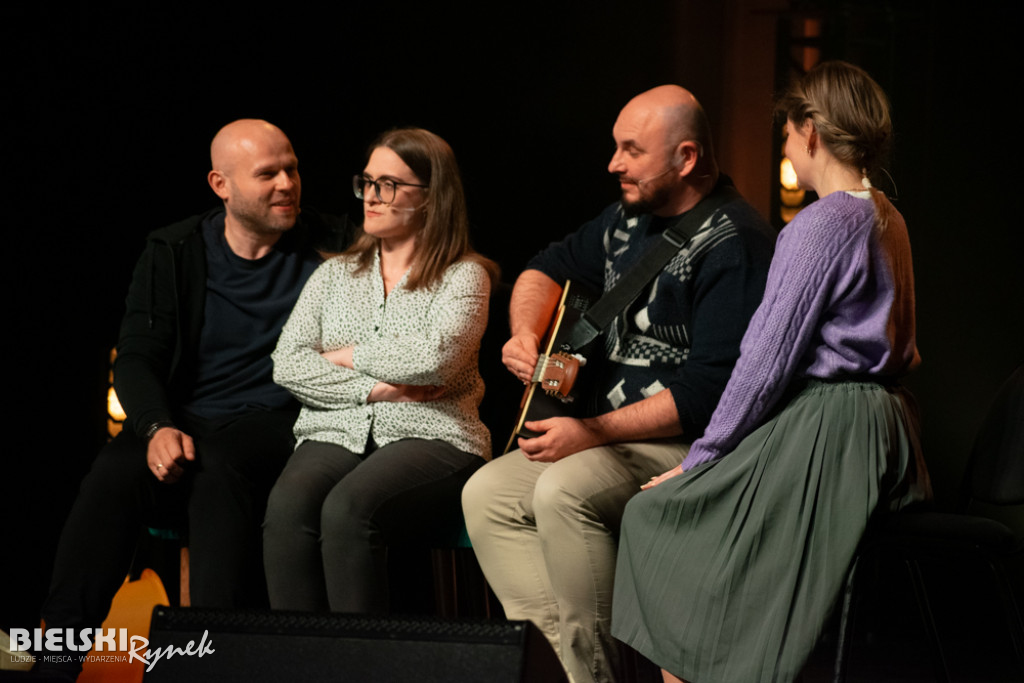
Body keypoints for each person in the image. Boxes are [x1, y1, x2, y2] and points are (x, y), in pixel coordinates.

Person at [611, 61, 933, 683]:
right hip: (885, 427)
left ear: (810, 130)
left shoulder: (822, 224)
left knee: (656, 517)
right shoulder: (886, 214)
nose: (785, 147)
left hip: (831, 428)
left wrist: (701, 457)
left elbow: (763, 364)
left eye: (786, 133)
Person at [462, 86, 776, 683]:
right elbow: (545, 267)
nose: (613, 164)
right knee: (487, 495)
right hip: (602, 436)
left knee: (563, 491)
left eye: (632, 150)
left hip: (684, 448)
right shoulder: (624, 219)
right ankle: (565, 671)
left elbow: (705, 397)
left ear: (686, 158)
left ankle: (601, 675)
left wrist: (590, 431)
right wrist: (525, 332)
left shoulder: (735, 242)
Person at [39, 119, 350, 678]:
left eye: (292, 169)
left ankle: (210, 664)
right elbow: (137, 357)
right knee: (112, 473)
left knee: (219, 467)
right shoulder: (174, 249)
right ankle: (54, 662)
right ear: (220, 184)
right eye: (268, 174)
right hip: (187, 420)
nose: (287, 184)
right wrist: (155, 426)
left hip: (281, 420)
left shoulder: (335, 244)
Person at [263, 127, 498, 614]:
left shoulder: (464, 276)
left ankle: (362, 653)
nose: (371, 196)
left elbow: (435, 360)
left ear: (431, 196)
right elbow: (288, 363)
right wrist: (375, 390)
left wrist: (345, 355)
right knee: (287, 511)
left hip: (434, 432)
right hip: (335, 428)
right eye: (367, 182)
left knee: (348, 509)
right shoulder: (333, 275)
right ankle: (298, 653)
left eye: (388, 185)